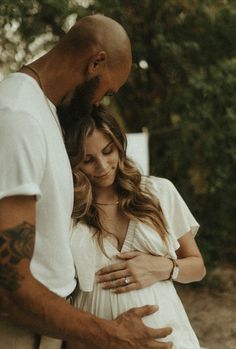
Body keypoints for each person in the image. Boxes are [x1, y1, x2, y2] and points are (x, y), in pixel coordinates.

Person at [0, 14, 173, 349]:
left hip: (48, 326)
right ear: (97, 62)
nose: (101, 102)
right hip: (18, 332)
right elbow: (8, 284)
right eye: (108, 90)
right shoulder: (18, 117)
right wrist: (114, 334)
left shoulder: (43, 111)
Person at [61, 105, 206, 349]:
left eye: (108, 151)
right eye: (88, 160)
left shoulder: (159, 192)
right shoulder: (67, 210)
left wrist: (165, 267)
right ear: (73, 162)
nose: (103, 166)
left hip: (168, 337)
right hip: (95, 339)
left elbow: (198, 267)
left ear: (119, 144)